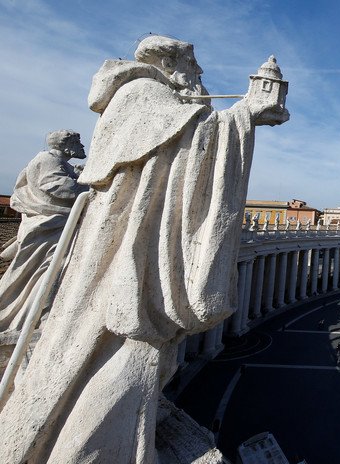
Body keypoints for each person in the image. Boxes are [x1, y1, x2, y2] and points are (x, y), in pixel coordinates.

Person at [0, 35, 289, 463]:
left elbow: (181, 141)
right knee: (109, 355)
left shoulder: (154, 98)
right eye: (195, 71)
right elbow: (184, 147)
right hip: (123, 248)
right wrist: (244, 113)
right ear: (174, 64)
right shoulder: (142, 92)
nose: (199, 80)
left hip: (131, 238)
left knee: (126, 358)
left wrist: (235, 115)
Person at [0, 130, 86, 335]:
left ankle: (40, 313)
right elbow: (57, 187)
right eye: (77, 142)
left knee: (54, 269)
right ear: (67, 145)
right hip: (50, 227)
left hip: (56, 226)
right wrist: (89, 185)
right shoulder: (47, 160)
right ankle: (36, 316)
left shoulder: (61, 163)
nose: (82, 146)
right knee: (48, 269)